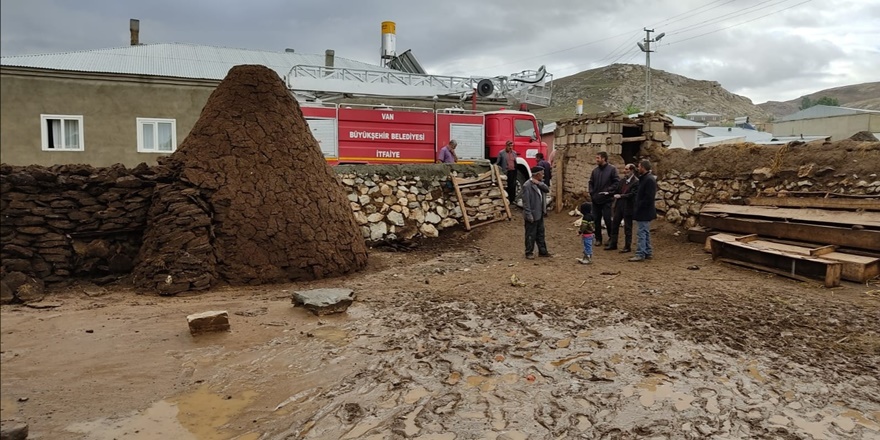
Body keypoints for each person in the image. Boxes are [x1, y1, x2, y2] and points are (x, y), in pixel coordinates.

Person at [605, 163, 639, 252]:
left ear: (632, 170)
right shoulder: (622, 181)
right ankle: (613, 244)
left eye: (627, 169)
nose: (625, 171)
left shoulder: (636, 182)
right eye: (625, 169)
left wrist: (621, 196)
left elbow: (632, 194)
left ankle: (627, 246)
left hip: (628, 207)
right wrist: (608, 193)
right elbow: (617, 190)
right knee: (614, 224)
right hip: (619, 206)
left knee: (627, 227)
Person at [588, 151, 619, 246]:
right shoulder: (595, 171)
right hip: (596, 200)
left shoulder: (612, 170)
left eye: (598, 158)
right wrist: (592, 193)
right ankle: (598, 238)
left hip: (607, 200)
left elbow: (616, 183)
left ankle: (611, 238)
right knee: (596, 220)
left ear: (604, 159)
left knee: (608, 220)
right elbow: (591, 182)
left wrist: (608, 191)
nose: (596, 160)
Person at [630, 159, 657, 262]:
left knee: (641, 232)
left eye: (639, 166)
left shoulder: (649, 180)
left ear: (643, 167)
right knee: (645, 231)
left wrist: (639, 206)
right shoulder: (645, 178)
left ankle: (640, 253)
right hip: (644, 210)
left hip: (644, 211)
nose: (638, 168)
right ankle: (648, 251)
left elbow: (648, 197)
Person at [521, 166, 551, 259]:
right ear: (537, 174)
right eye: (542, 173)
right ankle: (529, 252)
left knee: (540, 233)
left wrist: (538, 183)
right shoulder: (527, 186)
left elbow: (546, 189)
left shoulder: (539, 183)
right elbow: (526, 203)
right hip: (532, 214)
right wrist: (529, 215)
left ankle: (542, 251)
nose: (543, 175)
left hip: (539, 213)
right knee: (530, 234)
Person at [496, 140, 519, 205]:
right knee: (507, 185)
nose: (510, 147)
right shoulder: (501, 153)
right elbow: (498, 163)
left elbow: (515, 162)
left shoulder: (514, 153)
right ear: (506, 146)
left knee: (513, 185)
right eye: (509, 146)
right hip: (506, 171)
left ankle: (512, 200)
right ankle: (506, 199)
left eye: (511, 146)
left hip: (513, 171)